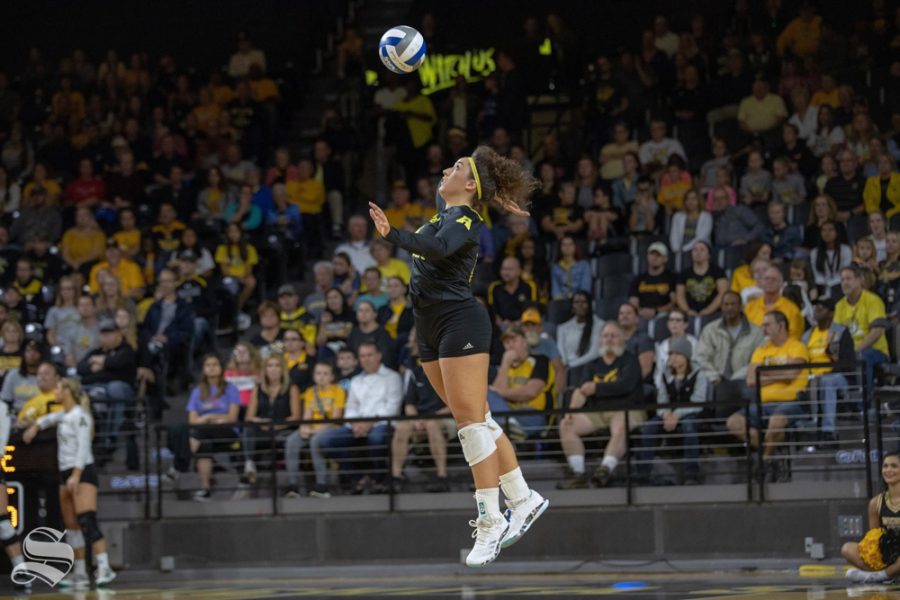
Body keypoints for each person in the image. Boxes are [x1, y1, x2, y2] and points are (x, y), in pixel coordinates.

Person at [368, 146, 548, 567]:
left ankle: (491, 520)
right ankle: (523, 497)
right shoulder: (447, 210)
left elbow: (433, 249)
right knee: (479, 418)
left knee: (469, 426)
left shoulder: (465, 221)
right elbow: (454, 193)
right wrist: (490, 186)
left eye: (458, 168)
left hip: (460, 322)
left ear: (469, 187)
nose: (447, 169)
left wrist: (391, 235)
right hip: (428, 325)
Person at [22, 378, 117, 587]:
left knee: (87, 520)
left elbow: (83, 447)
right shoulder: (65, 415)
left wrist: (75, 474)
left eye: (58, 387)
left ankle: (104, 567)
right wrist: (34, 426)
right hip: (65, 473)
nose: (55, 390)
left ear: (67, 391)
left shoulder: (81, 416)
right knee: (72, 527)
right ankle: (80, 572)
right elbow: (48, 419)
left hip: (81, 472)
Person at [557, 323, 644, 489]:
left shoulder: (630, 360)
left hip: (626, 409)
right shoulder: (592, 365)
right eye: (605, 336)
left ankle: (604, 470)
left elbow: (625, 385)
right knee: (566, 424)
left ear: (622, 339)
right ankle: (578, 474)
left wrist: (597, 388)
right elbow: (580, 391)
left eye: (613, 335)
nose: (609, 339)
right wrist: (572, 411)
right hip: (597, 411)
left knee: (621, 427)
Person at [727, 311, 809, 481]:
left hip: (791, 402)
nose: (763, 328)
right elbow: (751, 380)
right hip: (763, 405)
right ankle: (773, 453)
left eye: (767, 324)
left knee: (776, 421)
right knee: (733, 422)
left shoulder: (797, 346)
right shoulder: (761, 350)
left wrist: (763, 374)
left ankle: (763, 462)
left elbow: (791, 374)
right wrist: (780, 373)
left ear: (781, 326)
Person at [315, 342, 401, 493]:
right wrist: (357, 425)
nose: (366, 359)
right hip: (356, 426)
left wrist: (368, 424)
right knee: (324, 440)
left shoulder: (392, 377)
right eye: (362, 356)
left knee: (376, 438)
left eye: (369, 355)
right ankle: (359, 478)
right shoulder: (356, 381)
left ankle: (379, 479)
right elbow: (351, 409)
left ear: (379, 356)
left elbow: (392, 409)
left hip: (383, 424)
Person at [636, 336, 708, 485]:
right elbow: (661, 400)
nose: (672, 358)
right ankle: (643, 474)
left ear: (686, 356)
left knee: (689, 427)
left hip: (691, 413)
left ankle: (691, 473)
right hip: (669, 414)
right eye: (670, 354)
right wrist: (666, 414)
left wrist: (677, 414)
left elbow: (698, 402)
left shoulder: (699, 374)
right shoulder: (665, 374)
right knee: (649, 428)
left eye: (677, 354)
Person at [391, 329, 454, 493]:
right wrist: (415, 419)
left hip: (446, 416)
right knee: (402, 428)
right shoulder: (415, 371)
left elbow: (454, 403)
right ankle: (396, 476)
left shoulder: (446, 368)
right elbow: (409, 404)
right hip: (422, 418)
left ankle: (442, 476)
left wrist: (428, 419)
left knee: (432, 425)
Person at [76, 319, 137, 464]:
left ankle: (110, 437)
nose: (106, 337)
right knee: (78, 390)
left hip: (124, 394)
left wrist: (101, 364)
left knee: (114, 388)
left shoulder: (126, 350)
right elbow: (81, 369)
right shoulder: (95, 352)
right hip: (96, 391)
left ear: (118, 335)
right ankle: (87, 438)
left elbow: (118, 369)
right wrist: (104, 367)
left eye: (109, 333)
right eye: (103, 334)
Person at [283, 361, 346, 498]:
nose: (321, 377)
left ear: (332, 377)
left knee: (315, 441)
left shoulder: (338, 391)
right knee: (292, 441)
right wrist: (304, 428)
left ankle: (321, 486)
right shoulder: (310, 392)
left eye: (325, 374)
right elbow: (307, 415)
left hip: (330, 429)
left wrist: (315, 431)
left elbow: (335, 418)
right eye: (318, 373)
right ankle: (292, 486)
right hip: (312, 428)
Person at [185, 354, 241, 501]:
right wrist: (208, 420)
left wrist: (209, 417)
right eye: (208, 365)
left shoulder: (231, 389)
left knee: (199, 432)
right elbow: (192, 420)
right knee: (203, 445)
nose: (211, 368)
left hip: (226, 431)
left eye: (215, 364)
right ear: (203, 369)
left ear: (221, 368)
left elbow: (232, 417)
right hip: (203, 432)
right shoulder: (197, 391)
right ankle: (205, 489)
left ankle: (179, 465)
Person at [241, 354, 300, 491]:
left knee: (288, 437)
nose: (273, 369)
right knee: (248, 428)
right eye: (270, 366)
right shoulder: (258, 389)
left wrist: (277, 424)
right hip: (262, 428)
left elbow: (296, 417)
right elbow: (249, 416)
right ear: (265, 369)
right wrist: (260, 421)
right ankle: (249, 465)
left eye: (277, 366)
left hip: (283, 429)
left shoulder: (292, 388)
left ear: (283, 369)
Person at [695, 291, 765, 405]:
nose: (729, 308)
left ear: (741, 306)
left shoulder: (756, 332)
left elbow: (757, 360)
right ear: (721, 306)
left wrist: (735, 379)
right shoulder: (710, 330)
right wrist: (714, 376)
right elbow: (701, 357)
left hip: (744, 381)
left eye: (733, 304)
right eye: (726, 304)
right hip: (715, 381)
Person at [802, 297, 854, 445]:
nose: (816, 310)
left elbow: (848, 362)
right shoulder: (807, 336)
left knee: (827, 381)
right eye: (815, 307)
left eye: (821, 308)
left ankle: (828, 431)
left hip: (839, 377)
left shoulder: (840, 332)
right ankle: (807, 430)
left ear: (831, 313)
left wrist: (827, 372)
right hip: (811, 377)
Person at [842, 452, 900, 584]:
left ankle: (880, 576)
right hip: (890, 555)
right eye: (885, 466)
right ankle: (888, 574)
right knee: (847, 549)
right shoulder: (876, 503)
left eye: (894, 466)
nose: (888, 470)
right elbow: (874, 538)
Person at [488, 327, 554, 438]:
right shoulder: (504, 368)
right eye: (507, 343)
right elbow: (494, 396)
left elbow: (531, 392)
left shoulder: (540, 360)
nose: (510, 346)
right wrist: (505, 363)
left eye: (514, 341)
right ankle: (510, 427)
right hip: (508, 414)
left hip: (533, 414)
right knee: (485, 391)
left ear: (524, 342)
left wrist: (500, 392)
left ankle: (509, 426)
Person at [834, 265, 889, 388]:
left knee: (862, 357)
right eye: (842, 280)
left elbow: (877, 331)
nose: (844, 283)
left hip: (876, 351)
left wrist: (856, 351)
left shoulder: (873, 300)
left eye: (848, 279)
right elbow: (835, 334)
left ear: (860, 280)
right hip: (849, 353)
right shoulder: (839, 306)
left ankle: (864, 402)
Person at [744, 266, 806, 341]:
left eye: (774, 279)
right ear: (761, 282)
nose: (770, 281)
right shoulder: (750, 307)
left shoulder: (792, 309)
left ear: (781, 284)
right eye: (766, 279)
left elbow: (794, 338)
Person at [556, 291, 603, 379]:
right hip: (567, 368)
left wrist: (572, 365)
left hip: (589, 368)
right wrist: (565, 364)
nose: (580, 305)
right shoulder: (562, 328)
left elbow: (595, 353)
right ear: (572, 306)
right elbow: (560, 351)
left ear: (590, 304)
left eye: (584, 302)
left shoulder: (600, 325)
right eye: (577, 302)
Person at [675, 240, 728, 317]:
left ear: (708, 255)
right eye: (695, 250)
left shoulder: (718, 272)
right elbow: (680, 296)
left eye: (702, 250)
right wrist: (687, 311)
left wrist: (707, 311)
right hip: (689, 314)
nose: (698, 252)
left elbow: (723, 293)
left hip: (715, 313)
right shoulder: (684, 273)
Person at [629, 241, 677, 320]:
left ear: (665, 259)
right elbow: (633, 300)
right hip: (641, 315)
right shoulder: (639, 279)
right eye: (652, 254)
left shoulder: (672, 278)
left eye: (658, 255)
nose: (654, 258)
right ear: (647, 256)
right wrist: (640, 311)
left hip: (664, 316)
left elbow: (674, 302)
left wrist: (656, 311)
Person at [488, 256, 538, 328]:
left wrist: (519, 322)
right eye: (503, 269)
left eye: (509, 269)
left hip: (524, 324)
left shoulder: (529, 286)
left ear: (519, 271)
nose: (506, 273)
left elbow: (533, 309)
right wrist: (502, 322)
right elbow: (493, 311)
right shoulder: (495, 287)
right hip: (502, 326)